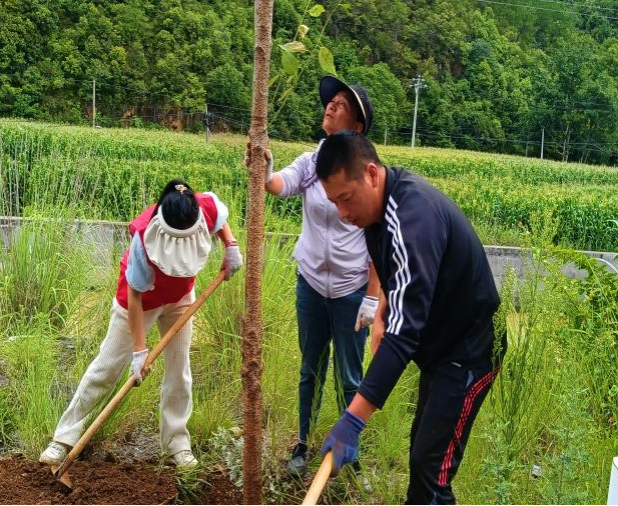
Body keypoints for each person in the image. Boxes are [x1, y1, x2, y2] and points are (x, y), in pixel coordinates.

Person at [315, 131, 507, 504]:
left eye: (346, 198)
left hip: (471, 352)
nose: (342, 213)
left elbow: (404, 335)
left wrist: (352, 421)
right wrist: (382, 311)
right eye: (334, 202)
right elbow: (400, 278)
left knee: (431, 470)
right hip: (441, 350)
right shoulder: (376, 215)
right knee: (422, 454)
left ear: (371, 174)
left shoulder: (412, 217)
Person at [39, 179, 243, 469]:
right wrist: (139, 351)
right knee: (106, 368)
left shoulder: (203, 206)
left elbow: (219, 217)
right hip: (137, 304)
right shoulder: (144, 237)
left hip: (180, 298)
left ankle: (177, 444)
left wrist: (230, 245)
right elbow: (135, 298)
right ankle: (63, 439)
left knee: (179, 371)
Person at [246, 76, 380, 477]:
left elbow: (378, 236)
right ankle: (303, 443)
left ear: (357, 127)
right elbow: (280, 184)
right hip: (311, 286)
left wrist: (372, 296)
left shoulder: (367, 174)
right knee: (311, 367)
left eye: (342, 105)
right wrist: (263, 167)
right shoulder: (311, 162)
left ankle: (349, 453)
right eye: (330, 101)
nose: (330, 107)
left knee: (350, 374)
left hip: (352, 290)